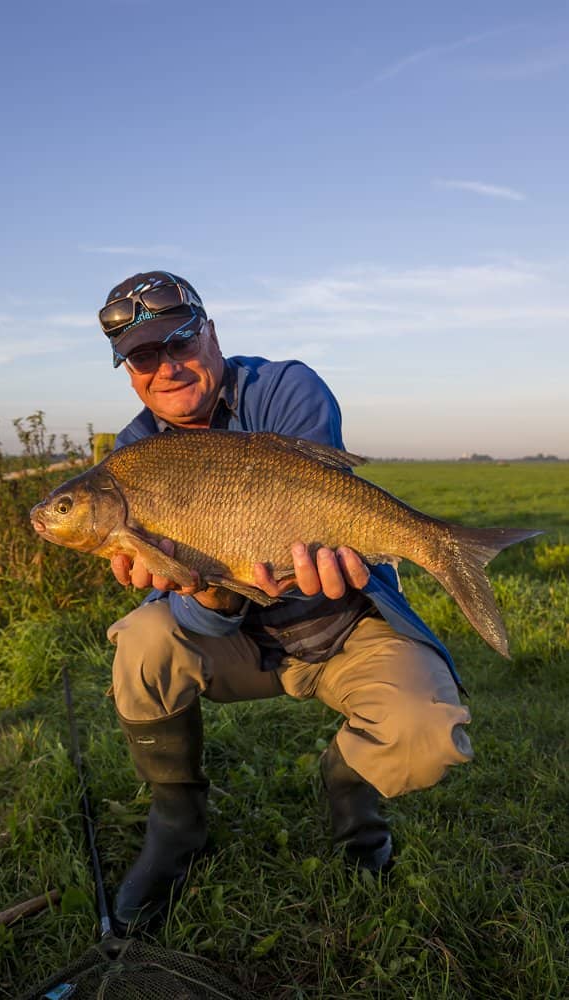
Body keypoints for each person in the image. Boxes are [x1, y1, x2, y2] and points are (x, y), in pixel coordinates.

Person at [97, 270, 473, 932]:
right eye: (143, 357)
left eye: (178, 343)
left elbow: (316, 503)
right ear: (128, 371)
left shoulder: (284, 387)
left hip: (341, 619)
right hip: (241, 638)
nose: (166, 368)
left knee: (427, 735)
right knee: (142, 636)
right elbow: (200, 614)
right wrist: (208, 582)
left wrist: (297, 566)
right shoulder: (134, 457)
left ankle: (348, 792)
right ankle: (177, 826)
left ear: (209, 333)